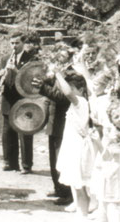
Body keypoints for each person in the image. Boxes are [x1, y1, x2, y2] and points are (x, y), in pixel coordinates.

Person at [32, 47, 74, 205]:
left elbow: (63, 97)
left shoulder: (72, 76)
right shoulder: (57, 74)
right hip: (53, 121)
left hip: (63, 122)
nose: (59, 61)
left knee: (61, 158)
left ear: (69, 59)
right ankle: (58, 188)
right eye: (57, 58)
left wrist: (43, 88)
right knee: (53, 158)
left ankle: (67, 193)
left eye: (62, 58)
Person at [52, 65, 93, 219]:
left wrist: (57, 73)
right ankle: (80, 214)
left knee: (80, 185)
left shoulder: (81, 102)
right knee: (75, 186)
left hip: (77, 148)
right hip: (71, 146)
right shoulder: (78, 102)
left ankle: (83, 215)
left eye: (73, 87)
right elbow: (65, 90)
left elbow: (67, 92)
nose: (68, 90)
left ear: (81, 89)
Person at [0, 31, 35, 174]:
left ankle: (26, 164)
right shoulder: (5, 59)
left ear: (23, 43)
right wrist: (0, 77)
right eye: (12, 43)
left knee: (25, 132)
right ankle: (9, 162)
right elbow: (1, 78)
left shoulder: (30, 59)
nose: (14, 46)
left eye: (17, 43)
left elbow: (29, 79)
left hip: (23, 99)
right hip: (8, 98)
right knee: (8, 132)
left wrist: (15, 69)